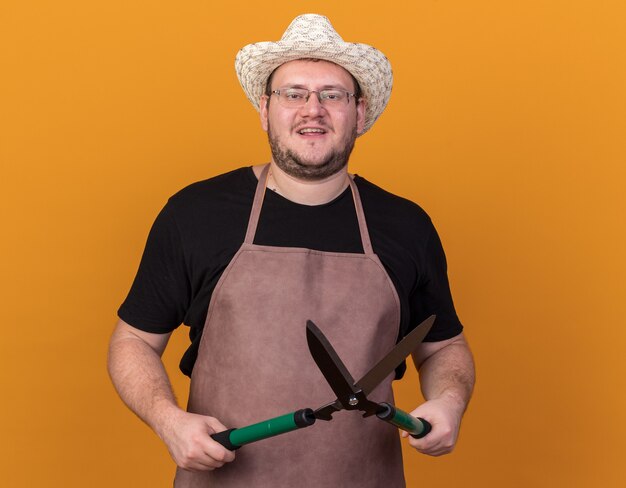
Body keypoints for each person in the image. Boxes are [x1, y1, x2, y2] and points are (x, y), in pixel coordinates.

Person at [108, 13, 475, 487]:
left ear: (358, 113)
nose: (312, 109)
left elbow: (444, 346)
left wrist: (449, 402)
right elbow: (133, 341)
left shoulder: (407, 226)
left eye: (333, 95)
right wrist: (168, 420)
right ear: (265, 109)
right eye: (293, 94)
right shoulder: (196, 214)